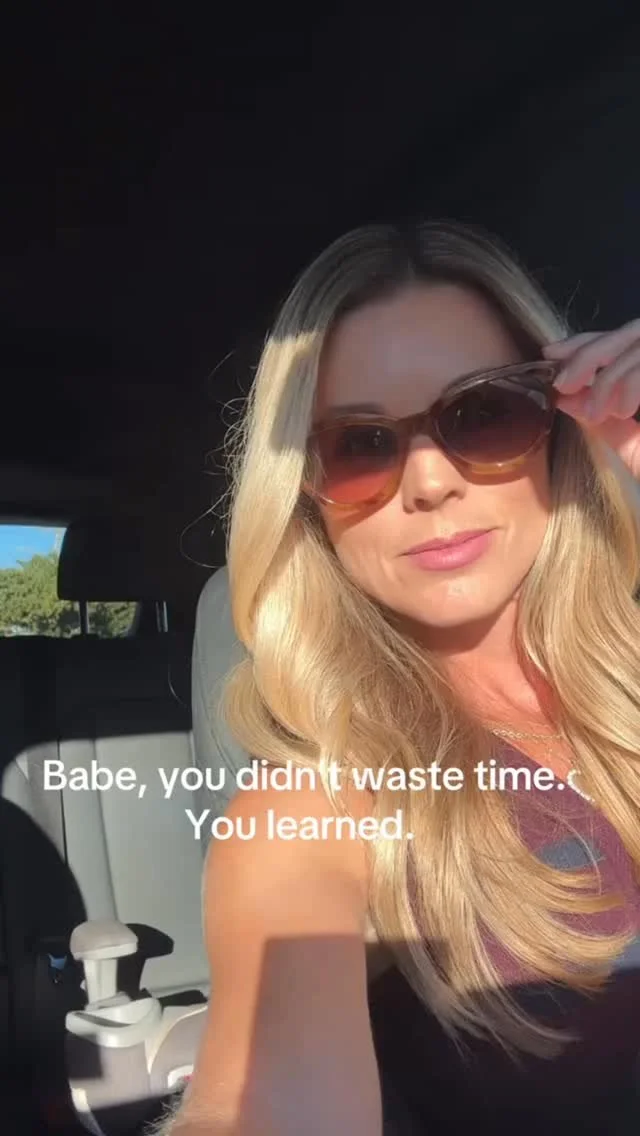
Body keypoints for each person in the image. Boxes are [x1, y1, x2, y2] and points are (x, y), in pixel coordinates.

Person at [163, 221, 640, 1135]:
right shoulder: (311, 808)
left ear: (561, 428)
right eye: (361, 444)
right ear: (306, 498)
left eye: (486, 413)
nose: (428, 480)